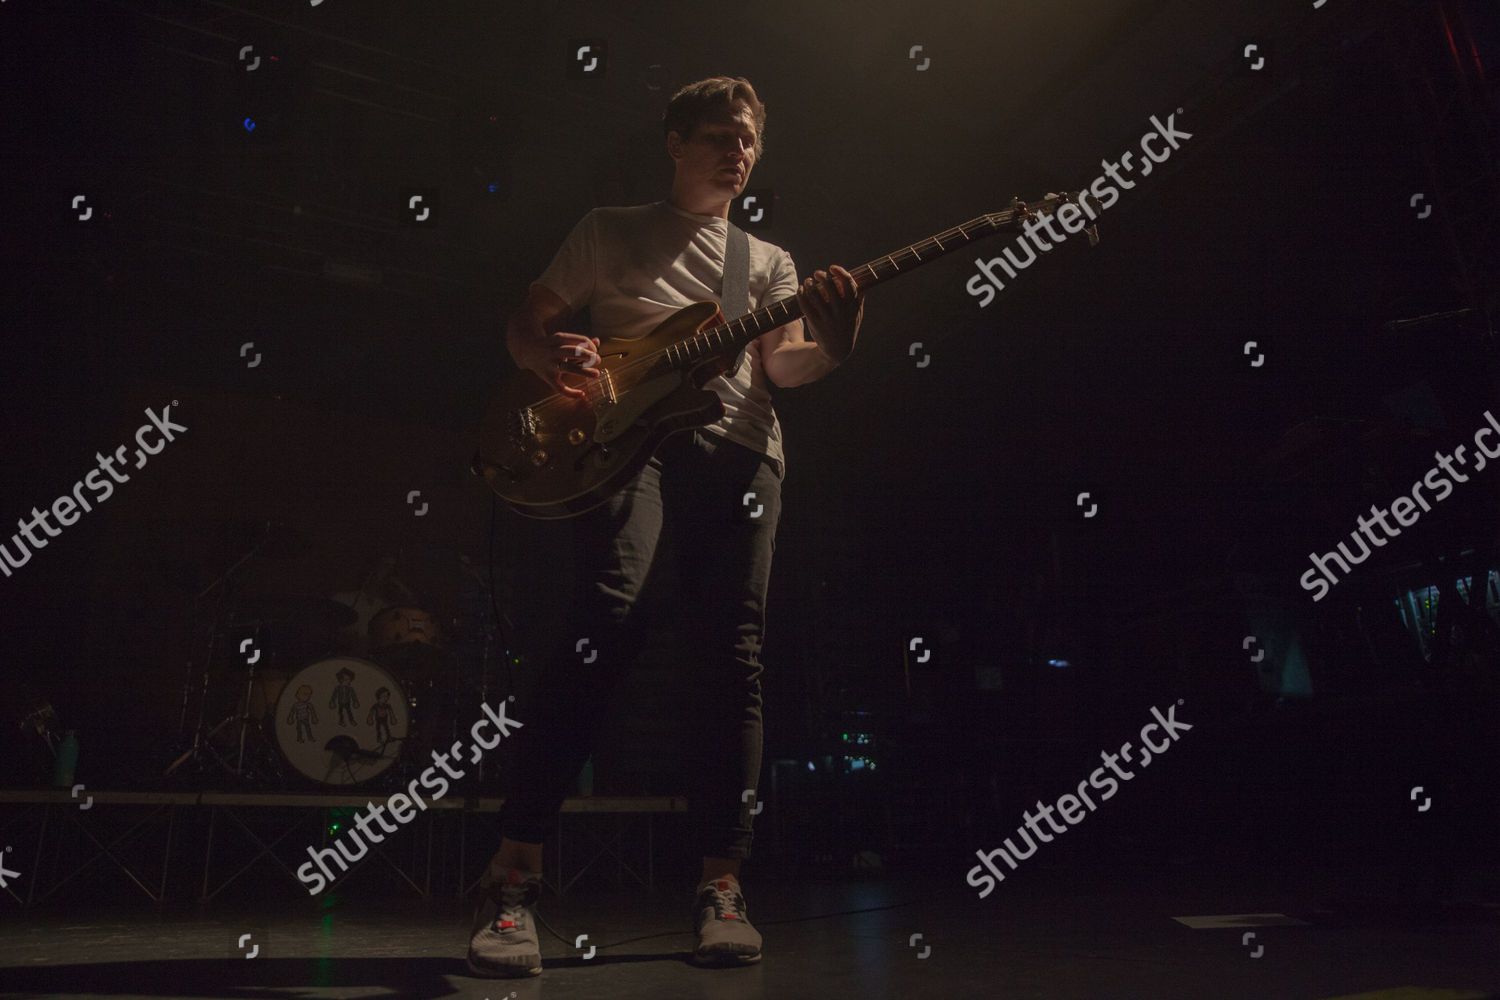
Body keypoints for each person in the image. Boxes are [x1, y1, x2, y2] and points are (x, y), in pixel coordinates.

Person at [466, 75, 865, 978]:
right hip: (623, 444)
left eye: (751, 140)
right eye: (721, 134)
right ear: (676, 142)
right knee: (607, 618)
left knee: (734, 653)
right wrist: (548, 354)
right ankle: (513, 879)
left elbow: (785, 365)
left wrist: (833, 346)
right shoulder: (609, 229)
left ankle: (722, 887)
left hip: (741, 448)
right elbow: (527, 322)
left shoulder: (765, 259)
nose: (740, 151)